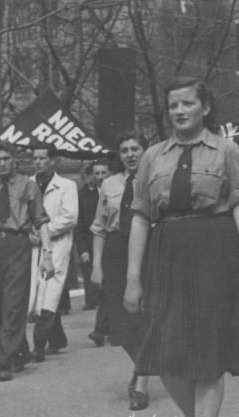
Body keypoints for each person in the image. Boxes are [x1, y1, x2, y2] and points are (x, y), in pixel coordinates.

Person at [124, 77, 239, 417]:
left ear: (205, 107)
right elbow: (141, 219)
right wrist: (133, 278)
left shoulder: (227, 150)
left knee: (208, 353)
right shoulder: (153, 157)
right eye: (173, 105)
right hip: (167, 255)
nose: (179, 110)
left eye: (187, 103)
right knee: (165, 352)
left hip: (215, 254)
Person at [0, 142, 52, 381]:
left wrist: (47, 255)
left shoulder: (28, 186)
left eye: (6, 158)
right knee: (1, 306)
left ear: (14, 159)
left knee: (14, 304)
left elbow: (42, 221)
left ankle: (3, 360)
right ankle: (20, 351)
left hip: (18, 246)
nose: (2, 163)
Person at [90, 130, 152, 411]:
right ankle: (142, 367)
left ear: (145, 151)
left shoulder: (156, 180)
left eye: (135, 149)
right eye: (124, 149)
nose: (129, 154)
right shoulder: (110, 184)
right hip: (116, 252)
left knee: (145, 318)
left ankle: (141, 382)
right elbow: (100, 228)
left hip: (149, 250)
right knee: (120, 322)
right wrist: (96, 266)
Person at [28, 144, 79, 361]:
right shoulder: (28, 184)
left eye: (42, 158)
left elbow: (70, 217)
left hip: (57, 245)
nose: (37, 162)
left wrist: (44, 230)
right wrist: (31, 232)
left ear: (53, 160)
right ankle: (57, 339)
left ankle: (38, 346)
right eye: (34, 158)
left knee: (49, 292)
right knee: (38, 292)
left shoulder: (66, 186)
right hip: (32, 245)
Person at [76, 161, 110, 313]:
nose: (100, 177)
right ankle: (92, 302)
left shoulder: (117, 190)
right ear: (91, 175)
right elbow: (80, 226)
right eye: (97, 173)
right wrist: (83, 250)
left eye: (104, 173)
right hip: (92, 244)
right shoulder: (83, 195)